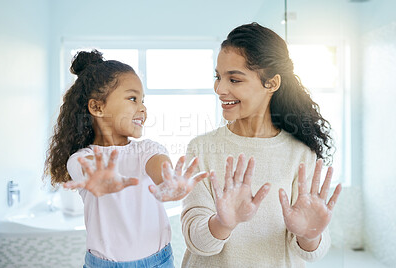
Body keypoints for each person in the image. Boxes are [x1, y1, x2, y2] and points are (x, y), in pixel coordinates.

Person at [180, 22, 342, 267]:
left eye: (234, 79)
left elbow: (311, 251)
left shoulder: (299, 154)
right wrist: (223, 223)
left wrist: (309, 234)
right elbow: (195, 242)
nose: (220, 89)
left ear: (272, 83)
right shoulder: (201, 148)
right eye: (218, 77)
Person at [44, 50, 208, 268]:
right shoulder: (82, 158)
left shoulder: (147, 149)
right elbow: (88, 171)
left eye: (142, 100)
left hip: (159, 262)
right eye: (133, 98)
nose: (143, 108)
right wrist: (101, 179)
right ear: (97, 107)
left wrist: (169, 182)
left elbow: (159, 167)